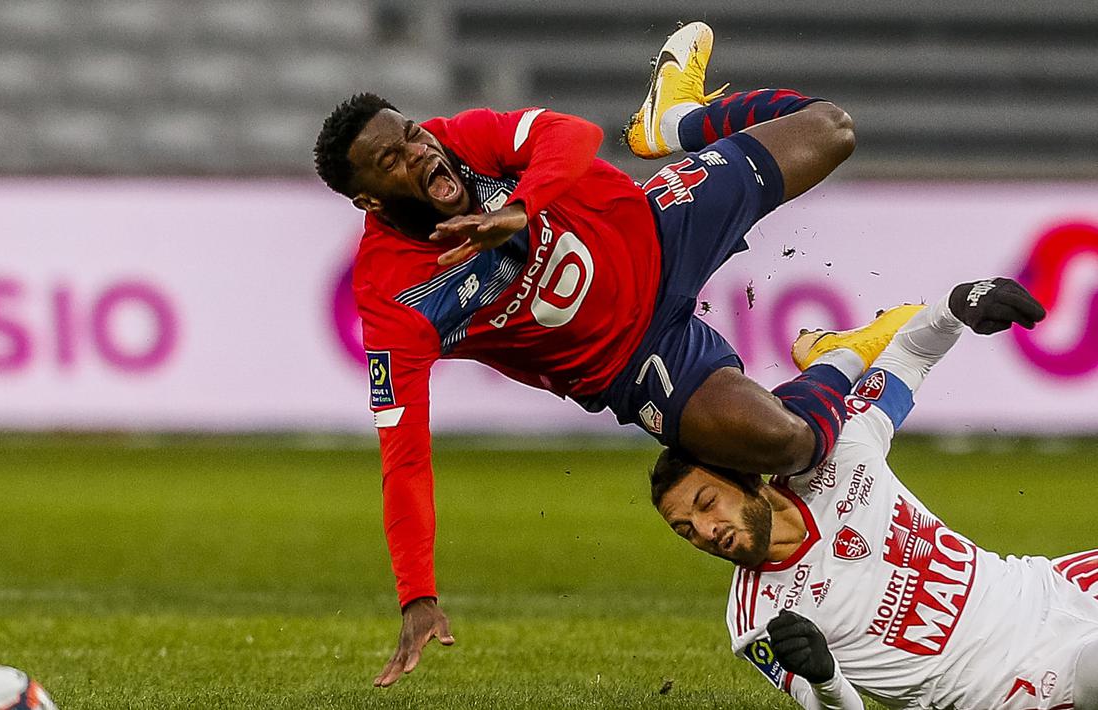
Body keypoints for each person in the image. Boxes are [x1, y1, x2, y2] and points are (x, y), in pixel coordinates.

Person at [314, 21, 916, 687]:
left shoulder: (461, 142)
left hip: (657, 225)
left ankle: (677, 121)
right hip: (636, 361)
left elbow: (570, 135)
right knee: (791, 445)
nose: (420, 151)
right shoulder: (395, 296)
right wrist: (416, 594)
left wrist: (520, 207)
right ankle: (838, 358)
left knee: (830, 128)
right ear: (368, 199)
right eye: (392, 160)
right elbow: (403, 457)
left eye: (411, 134)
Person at [648, 278, 1098, 710]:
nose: (705, 531)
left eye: (707, 504)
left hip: (1050, 584)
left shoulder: (840, 452)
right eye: (685, 530)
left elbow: (909, 357)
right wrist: (825, 677)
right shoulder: (756, 621)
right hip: (1022, 680)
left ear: (746, 475)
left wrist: (957, 304)